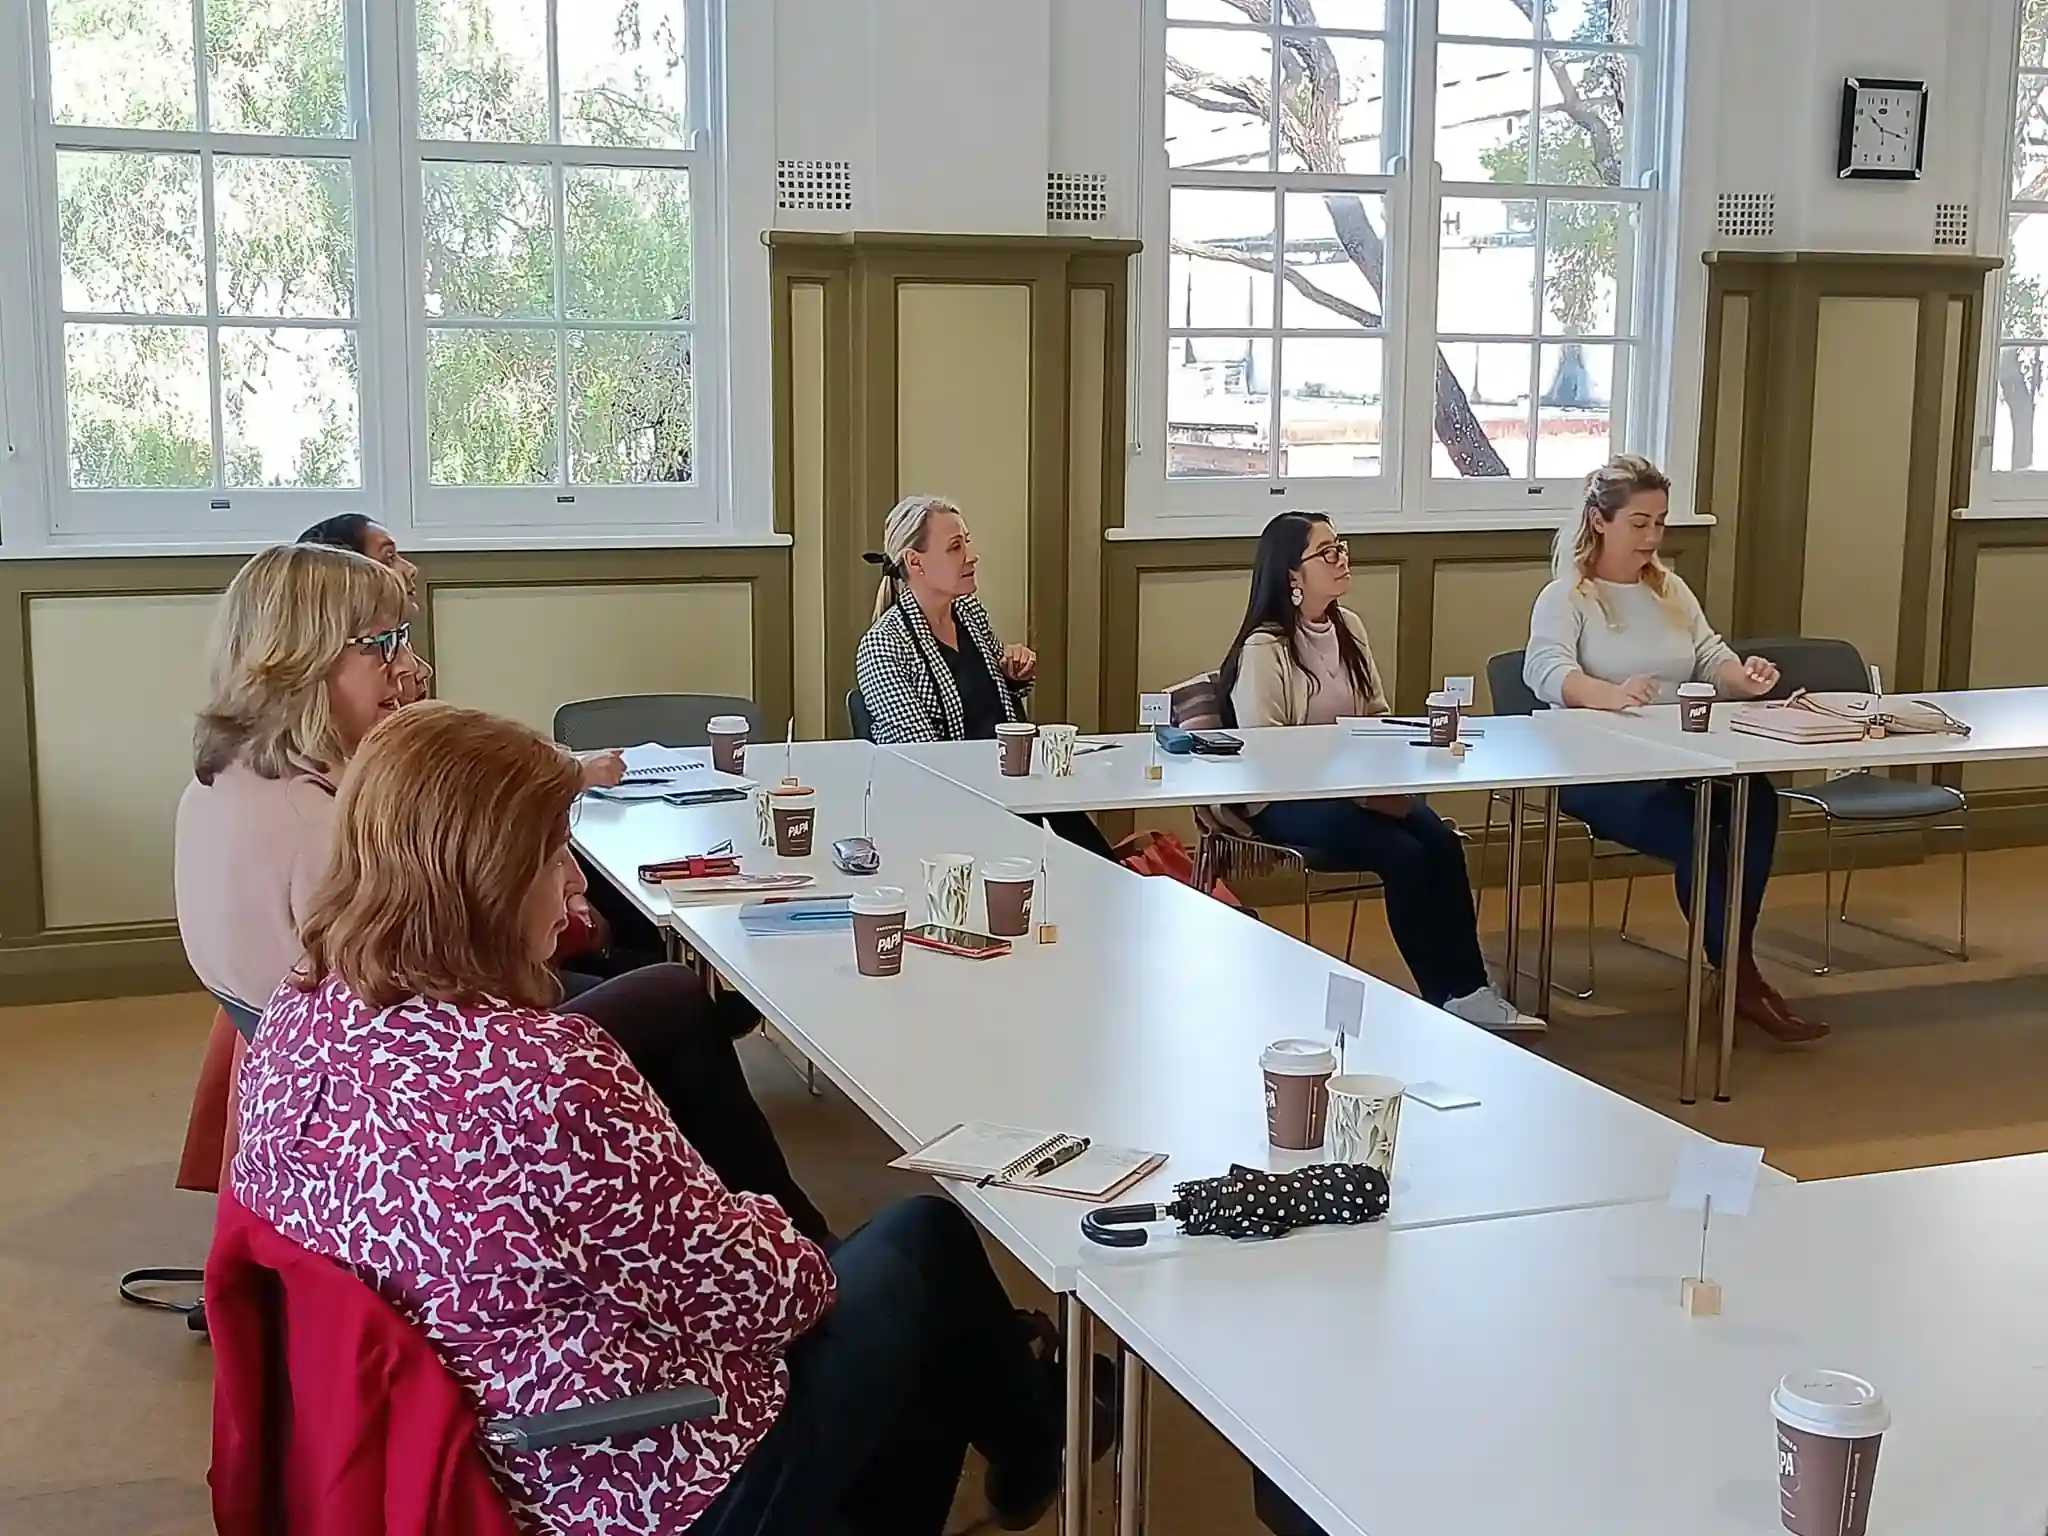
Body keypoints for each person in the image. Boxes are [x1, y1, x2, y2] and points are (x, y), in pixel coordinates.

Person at [234, 702, 1073, 1536]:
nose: (573, 882)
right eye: (551, 851)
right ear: (484, 877)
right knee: (925, 1243)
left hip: (444, 1439)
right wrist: (779, 1233)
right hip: (626, 1471)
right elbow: (771, 1301)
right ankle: (1033, 1441)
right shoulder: (543, 1076)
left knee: (897, 1304)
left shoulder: (296, 1018)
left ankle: (1020, 1438)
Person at [173, 545, 829, 1240]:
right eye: (383, 644)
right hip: (422, 1101)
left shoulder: (219, 785)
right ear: (301, 658)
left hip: (342, 1081)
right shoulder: (322, 828)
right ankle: (780, 1228)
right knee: (668, 994)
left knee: (643, 982)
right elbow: (434, 1002)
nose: (407, 665)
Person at [1523, 454, 1826, 1043]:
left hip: (1680, 757)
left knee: (1755, 804)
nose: (1652, 536)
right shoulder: (1569, 596)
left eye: (1660, 522)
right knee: (1705, 832)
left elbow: (1710, 657)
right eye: (1639, 523)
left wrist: (1743, 679)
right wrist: (1608, 694)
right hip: (1599, 769)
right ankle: (1740, 977)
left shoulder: (1670, 589)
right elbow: (1544, 671)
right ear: (1600, 520)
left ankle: (1733, 968)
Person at [1219, 512, 1542, 1034]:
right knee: (1403, 853)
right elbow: (1265, 753)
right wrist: (1351, 790)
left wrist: (1387, 784)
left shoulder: (1350, 628)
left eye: (1340, 546)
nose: (1341, 558)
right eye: (1326, 552)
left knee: (1441, 839)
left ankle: (1473, 986)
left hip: (1355, 789)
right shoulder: (1266, 648)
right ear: (1291, 576)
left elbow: (1376, 717)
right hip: (1284, 800)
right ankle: (1443, 996)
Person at [855, 494, 1115, 860]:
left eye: (968, 542)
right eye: (955, 547)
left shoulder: (970, 613)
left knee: (1105, 874)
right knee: (1085, 877)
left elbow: (991, 703)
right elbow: (925, 763)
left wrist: (1013, 671)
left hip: (1024, 792)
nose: (971, 556)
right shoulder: (884, 646)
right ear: (916, 562)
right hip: (961, 815)